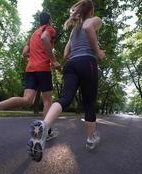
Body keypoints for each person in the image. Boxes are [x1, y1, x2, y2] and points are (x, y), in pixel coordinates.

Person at [28, 0, 106, 161]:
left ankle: (44, 125)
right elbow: (88, 27)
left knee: (65, 98)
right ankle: (91, 138)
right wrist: (97, 52)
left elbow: (65, 54)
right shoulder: (94, 20)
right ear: (90, 11)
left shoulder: (73, 30)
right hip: (87, 62)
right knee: (89, 102)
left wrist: (77, 56)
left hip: (71, 64)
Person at [0, 12, 60, 140]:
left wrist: (35, 55)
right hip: (43, 68)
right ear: (49, 20)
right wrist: (53, 60)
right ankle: (46, 132)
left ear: (39, 21)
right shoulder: (49, 29)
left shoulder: (32, 35)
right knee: (48, 100)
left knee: (27, 100)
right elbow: (44, 38)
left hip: (30, 69)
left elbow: (24, 52)